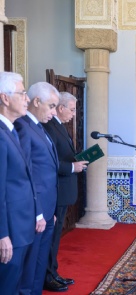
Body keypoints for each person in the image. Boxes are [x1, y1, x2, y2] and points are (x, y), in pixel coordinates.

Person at [14, 82, 61, 294]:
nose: (54, 112)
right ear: (36, 101)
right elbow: (27, 173)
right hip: (36, 212)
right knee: (30, 267)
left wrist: (49, 211)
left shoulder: (40, 126)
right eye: (51, 106)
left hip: (46, 210)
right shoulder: (23, 127)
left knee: (40, 265)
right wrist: (38, 212)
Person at [43, 91, 88, 292]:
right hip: (57, 190)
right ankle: (48, 276)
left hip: (64, 189)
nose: (73, 113)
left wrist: (77, 160)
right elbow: (50, 162)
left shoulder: (59, 126)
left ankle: (54, 272)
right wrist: (72, 167)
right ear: (60, 108)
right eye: (71, 109)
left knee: (56, 236)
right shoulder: (49, 127)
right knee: (51, 238)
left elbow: (64, 153)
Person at [0, 72, 37, 294]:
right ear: (5, 98)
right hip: (10, 231)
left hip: (22, 228)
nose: (27, 99)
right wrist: (2, 234)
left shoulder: (12, 130)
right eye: (22, 93)